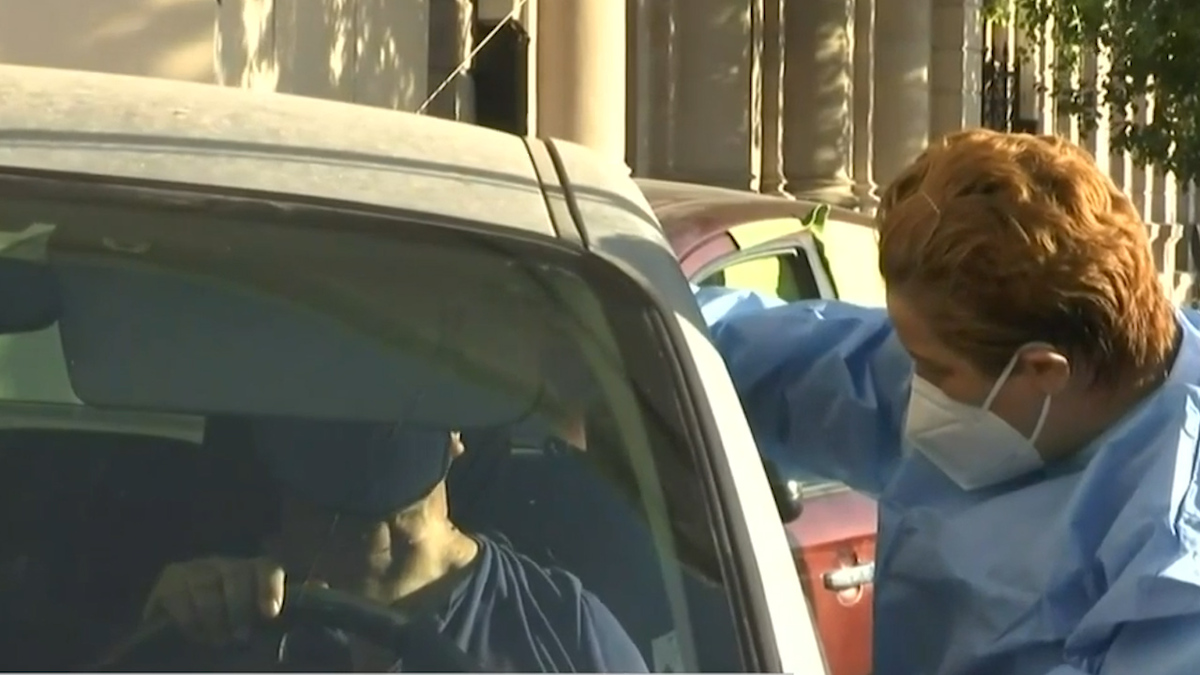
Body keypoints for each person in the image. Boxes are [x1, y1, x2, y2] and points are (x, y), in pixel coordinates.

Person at [698, 129, 1200, 675]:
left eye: (932, 368)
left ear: (1043, 370)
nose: (913, 385)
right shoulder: (990, 355)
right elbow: (759, 359)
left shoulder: (1175, 562)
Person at [135, 418, 647, 672]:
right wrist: (169, 631)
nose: (366, 415)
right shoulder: (203, 623)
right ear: (267, 430)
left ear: (457, 428)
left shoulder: (562, 627)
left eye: (394, 383)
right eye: (327, 385)